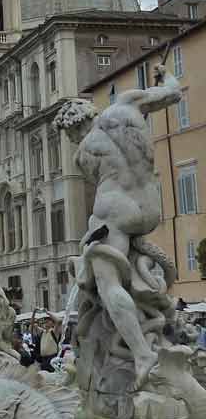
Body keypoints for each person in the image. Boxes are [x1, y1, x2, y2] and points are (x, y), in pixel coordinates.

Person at [54, 64, 181, 390]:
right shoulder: (125, 105)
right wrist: (165, 73)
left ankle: (141, 354)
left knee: (108, 283)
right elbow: (173, 92)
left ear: (71, 132)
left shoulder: (81, 155)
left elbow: (102, 181)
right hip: (150, 205)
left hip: (115, 210)